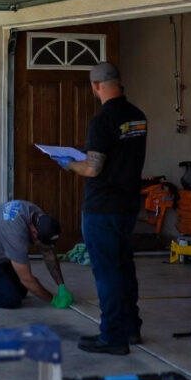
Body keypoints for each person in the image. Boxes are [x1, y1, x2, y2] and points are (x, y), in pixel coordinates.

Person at [54, 61, 147, 356]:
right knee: (123, 267)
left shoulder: (102, 121)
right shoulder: (138, 117)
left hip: (102, 207)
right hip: (128, 205)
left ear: (96, 86)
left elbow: (93, 169)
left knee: (107, 272)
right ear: (119, 81)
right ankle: (131, 328)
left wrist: (68, 163)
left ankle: (112, 336)